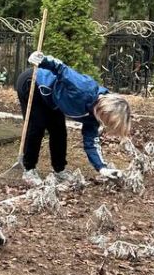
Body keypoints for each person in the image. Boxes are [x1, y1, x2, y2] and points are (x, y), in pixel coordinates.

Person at [16, 51, 131, 182]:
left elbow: (91, 143)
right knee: (36, 127)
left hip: (54, 100)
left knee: (59, 132)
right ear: (106, 110)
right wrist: (42, 59)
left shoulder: (94, 118)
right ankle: (29, 169)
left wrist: (102, 168)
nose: (105, 124)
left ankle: (59, 170)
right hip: (34, 82)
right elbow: (61, 68)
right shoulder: (84, 88)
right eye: (108, 121)